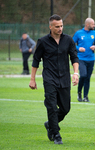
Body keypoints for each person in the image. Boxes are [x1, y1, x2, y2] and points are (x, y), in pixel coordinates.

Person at [29, 14, 79, 144]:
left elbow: (74, 57)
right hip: (49, 79)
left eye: (61, 26)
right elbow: (36, 60)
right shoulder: (43, 41)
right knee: (51, 106)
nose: (60, 28)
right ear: (50, 27)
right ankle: (56, 135)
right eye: (57, 26)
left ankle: (50, 124)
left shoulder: (68, 40)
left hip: (64, 79)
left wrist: (76, 73)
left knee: (65, 108)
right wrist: (32, 79)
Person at [73, 18, 95, 102]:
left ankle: (85, 96)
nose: (94, 26)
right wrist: (78, 48)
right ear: (87, 25)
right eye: (93, 24)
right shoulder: (78, 33)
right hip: (81, 58)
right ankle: (79, 93)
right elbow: (72, 44)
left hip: (91, 59)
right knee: (83, 75)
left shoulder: (94, 33)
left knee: (88, 78)